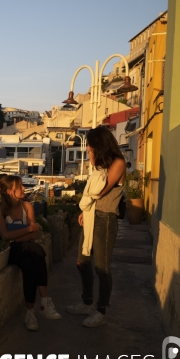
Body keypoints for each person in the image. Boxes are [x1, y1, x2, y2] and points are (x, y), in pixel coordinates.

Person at [67, 126, 126, 327]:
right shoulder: (100, 167)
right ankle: (86, 301)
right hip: (93, 217)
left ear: (99, 145)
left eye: (90, 146)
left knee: (102, 268)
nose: (88, 149)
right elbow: (93, 194)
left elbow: (100, 191)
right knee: (81, 262)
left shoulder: (118, 163)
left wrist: (92, 159)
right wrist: (85, 212)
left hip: (106, 219)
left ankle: (100, 310)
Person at [0, 175, 61, 331]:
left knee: (29, 264)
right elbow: (4, 236)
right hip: (10, 251)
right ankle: (45, 301)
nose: (24, 188)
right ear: (10, 191)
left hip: (25, 250)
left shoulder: (27, 207)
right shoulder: (0, 208)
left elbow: (32, 235)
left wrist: (18, 235)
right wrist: (28, 229)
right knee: (37, 250)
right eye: (20, 186)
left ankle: (30, 313)